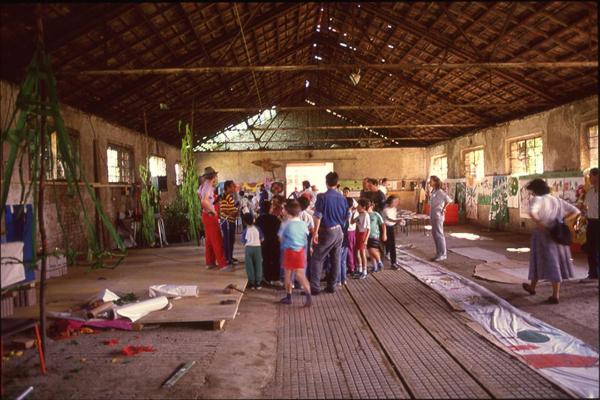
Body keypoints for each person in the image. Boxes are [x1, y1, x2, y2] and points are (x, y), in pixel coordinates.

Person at [522, 178, 581, 304]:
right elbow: (576, 211)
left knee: (538, 260)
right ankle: (534, 288)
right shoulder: (556, 200)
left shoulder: (537, 199)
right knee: (556, 263)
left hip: (543, 235)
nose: (531, 193)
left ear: (535, 190)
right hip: (557, 234)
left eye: (531, 191)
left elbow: (532, 213)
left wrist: (540, 224)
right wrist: (564, 220)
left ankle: (555, 296)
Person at [309, 172, 348, 294]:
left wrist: (315, 233)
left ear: (326, 183)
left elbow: (317, 216)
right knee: (335, 259)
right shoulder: (342, 198)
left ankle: (315, 288)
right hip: (339, 232)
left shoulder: (322, 197)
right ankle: (332, 286)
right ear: (337, 183)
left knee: (317, 259)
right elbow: (347, 216)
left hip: (327, 231)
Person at [278, 199, 312, 307]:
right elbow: (306, 235)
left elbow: (280, 238)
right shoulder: (303, 224)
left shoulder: (285, 224)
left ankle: (288, 297)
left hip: (289, 252)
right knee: (301, 275)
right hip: (301, 251)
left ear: (287, 212)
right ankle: (309, 296)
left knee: (288, 276)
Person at [197, 167, 229, 270]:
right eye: (216, 176)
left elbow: (199, 196)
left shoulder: (203, 186)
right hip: (210, 216)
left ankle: (210, 262)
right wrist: (213, 210)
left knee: (209, 240)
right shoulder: (209, 187)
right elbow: (204, 201)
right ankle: (222, 264)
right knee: (217, 239)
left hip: (205, 215)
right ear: (213, 177)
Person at [579, 168, 599, 283]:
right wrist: (582, 209)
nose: (589, 179)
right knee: (590, 248)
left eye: (591, 176)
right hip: (591, 222)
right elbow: (586, 207)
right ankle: (593, 273)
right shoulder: (590, 192)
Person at [255, 200, 282, 286]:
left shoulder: (258, 219)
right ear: (270, 208)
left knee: (266, 260)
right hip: (275, 243)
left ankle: (267, 278)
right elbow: (280, 231)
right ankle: (275, 278)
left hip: (264, 243)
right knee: (275, 260)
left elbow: (256, 231)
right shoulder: (275, 219)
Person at [428, 175, 452, 261]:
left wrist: (444, 208)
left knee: (439, 234)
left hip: (438, 216)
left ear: (435, 181)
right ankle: (438, 253)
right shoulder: (433, 191)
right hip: (433, 215)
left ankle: (443, 254)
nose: (429, 182)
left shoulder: (440, 192)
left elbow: (448, 200)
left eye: (431, 181)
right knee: (435, 234)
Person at [240, 213, 263, 290]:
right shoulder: (258, 228)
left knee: (249, 266)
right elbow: (262, 238)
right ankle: (258, 282)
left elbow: (243, 241)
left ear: (244, 222)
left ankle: (252, 283)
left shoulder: (245, 230)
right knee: (258, 265)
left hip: (248, 249)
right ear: (253, 220)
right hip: (257, 248)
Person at [219, 180, 238, 266]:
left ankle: (230, 256)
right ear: (228, 187)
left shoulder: (230, 196)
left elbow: (231, 208)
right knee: (227, 240)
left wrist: (236, 210)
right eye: (233, 186)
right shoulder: (224, 196)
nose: (234, 187)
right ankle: (227, 258)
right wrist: (233, 213)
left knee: (231, 240)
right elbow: (223, 209)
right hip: (227, 221)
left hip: (231, 221)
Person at [383, 195, 402, 269]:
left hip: (392, 227)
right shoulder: (386, 210)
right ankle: (392, 262)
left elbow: (394, 218)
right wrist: (397, 221)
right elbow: (389, 219)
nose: (397, 203)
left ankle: (392, 260)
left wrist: (398, 220)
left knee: (391, 244)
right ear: (391, 202)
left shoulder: (394, 209)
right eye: (395, 201)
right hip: (386, 228)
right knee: (389, 244)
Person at [298, 196, 315, 280]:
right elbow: (312, 229)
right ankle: (307, 277)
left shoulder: (294, 215)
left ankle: (296, 279)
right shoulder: (308, 216)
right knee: (306, 258)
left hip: (295, 238)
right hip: (305, 238)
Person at [367, 201, 386, 272]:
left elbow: (383, 224)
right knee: (370, 251)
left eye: (368, 206)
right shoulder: (365, 214)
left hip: (374, 235)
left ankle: (379, 262)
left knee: (372, 250)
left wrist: (384, 234)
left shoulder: (376, 214)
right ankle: (374, 266)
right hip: (366, 236)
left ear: (372, 206)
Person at [353, 198, 370, 279]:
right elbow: (352, 221)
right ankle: (359, 269)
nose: (357, 207)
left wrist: (366, 239)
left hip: (363, 234)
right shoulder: (360, 214)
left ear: (363, 207)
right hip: (358, 233)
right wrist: (354, 212)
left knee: (362, 253)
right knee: (356, 252)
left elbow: (368, 229)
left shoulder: (366, 215)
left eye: (359, 206)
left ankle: (364, 271)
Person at [346, 197, 359, 278]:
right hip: (352, 232)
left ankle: (352, 268)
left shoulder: (350, 212)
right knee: (352, 250)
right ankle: (353, 266)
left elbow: (351, 222)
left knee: (350, 250)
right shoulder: (355, 212)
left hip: (349, 232)